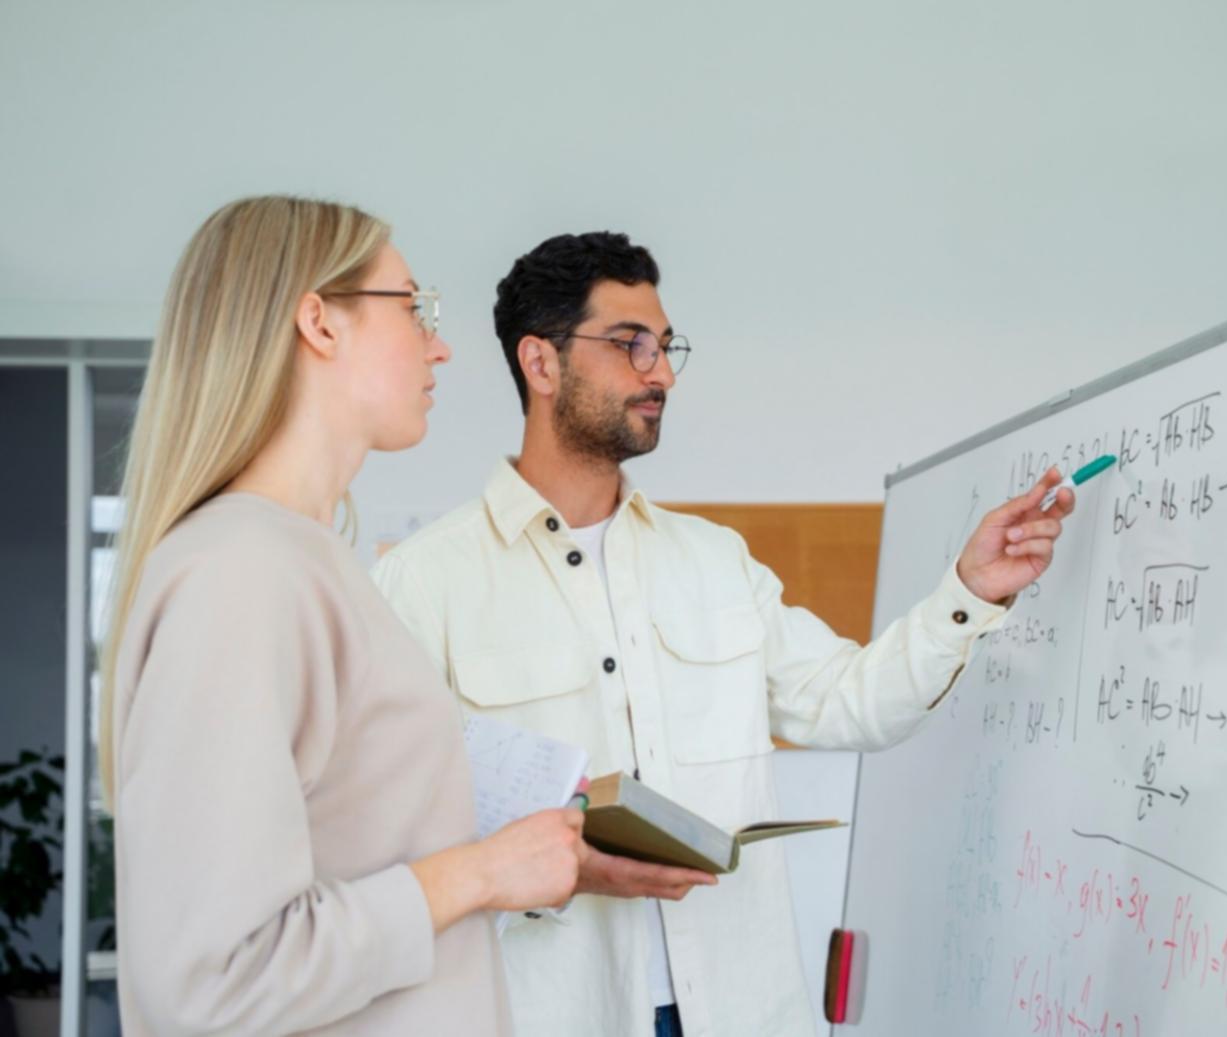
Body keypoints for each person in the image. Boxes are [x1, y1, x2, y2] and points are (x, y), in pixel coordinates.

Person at [372, 231, 1074, 1036]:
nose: (660, 371)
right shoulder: (423, 583)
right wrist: (557, 869)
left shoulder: (714, 560)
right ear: (540, 363)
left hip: (740, 1007)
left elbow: (854, 704)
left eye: (666, 347)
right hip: (551, 1012)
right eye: (630, 344)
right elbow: (395, 834)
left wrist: (969, 591)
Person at [98, 196, 587, 1036]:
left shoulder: (304, 561)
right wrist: (481, 872)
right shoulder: (240, 572)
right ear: (318, 323)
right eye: (414, 306)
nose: (439, 343)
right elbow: (218, 981)